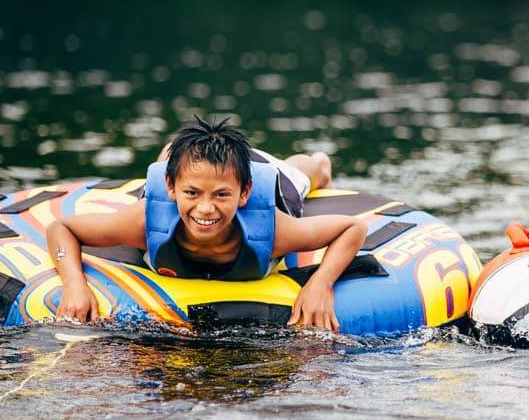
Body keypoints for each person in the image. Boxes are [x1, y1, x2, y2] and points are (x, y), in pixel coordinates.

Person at [45, 116, 365, 330]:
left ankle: (317, 163)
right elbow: (61, 229)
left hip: (262, 175)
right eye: (192, 193)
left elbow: (352, 228)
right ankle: (173, 155)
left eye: (221, 196)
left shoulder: (273, 230)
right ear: (172, 188)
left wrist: (321, 283)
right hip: (192, 174)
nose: (206, 209)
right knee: (173, 163)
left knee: (303, 173)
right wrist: (74, 283)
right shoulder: (145, 222)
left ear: (244, 194)